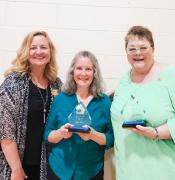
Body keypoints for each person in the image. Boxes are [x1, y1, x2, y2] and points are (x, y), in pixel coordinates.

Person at [111, 25, 175, 180]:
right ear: (126, 52)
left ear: (153, 48)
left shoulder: (170, 76)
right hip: (126, 173)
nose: (138, 53)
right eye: (132, 49)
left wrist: (156, 133)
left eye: (143, 47)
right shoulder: (124, 81)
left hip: (162, 172)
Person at [0, 31, 62, 180]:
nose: (39, 52)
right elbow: (5, 132)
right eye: (33, 47)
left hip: (46, 166)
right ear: (25, 52)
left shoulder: (57, 84)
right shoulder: (13, 83)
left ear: (50, 52)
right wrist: (16, 169)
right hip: (16, 166)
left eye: (43, 47)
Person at [44, 50, 114, 180]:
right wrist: (60, 133)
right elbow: (47, 134)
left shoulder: (104, 102)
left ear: (95, 73)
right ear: (72, 72)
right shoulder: (60, 99)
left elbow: (111, 138)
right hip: (59, 170)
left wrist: (93, 135)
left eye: (88, 69)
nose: (83, 73)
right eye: (79, 68)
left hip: (91, 172)